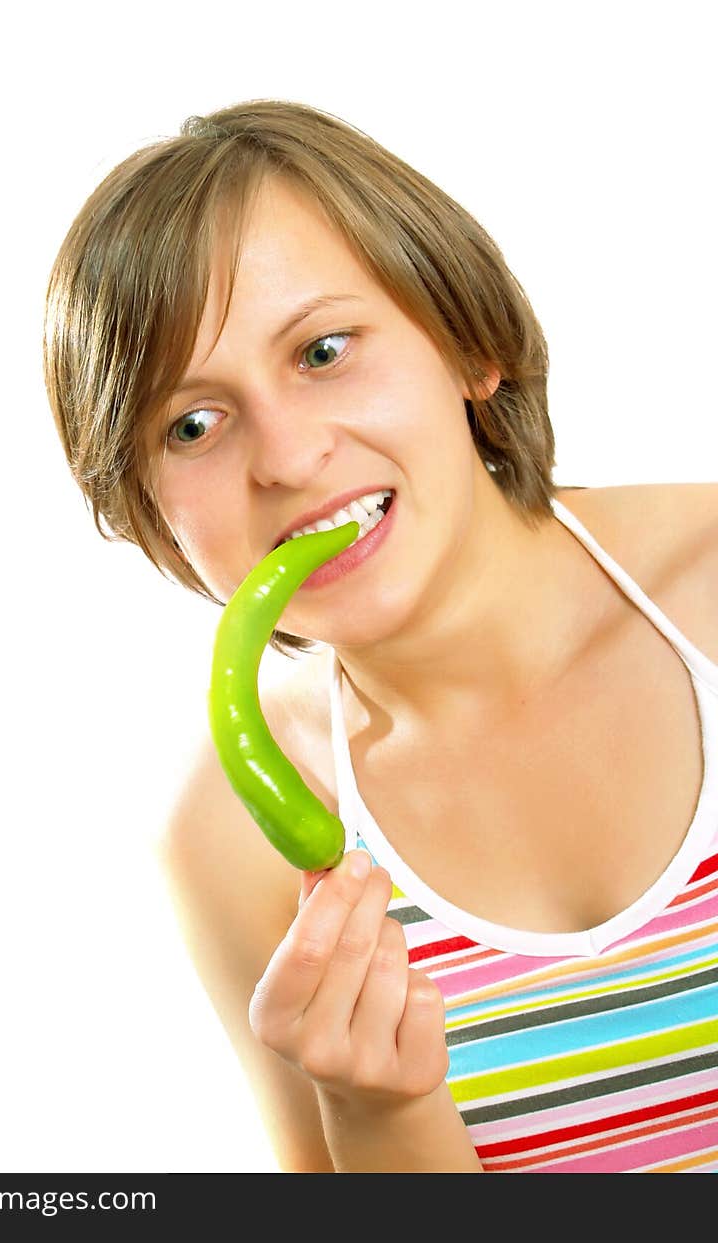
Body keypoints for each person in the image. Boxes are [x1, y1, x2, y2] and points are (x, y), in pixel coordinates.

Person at [42, 100, 718, 1173]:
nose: (288, 457)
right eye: (193, 424)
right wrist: (376, 1118)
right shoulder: (232, 833)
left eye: (322, 350)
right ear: (149, 509)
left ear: (468, 346)